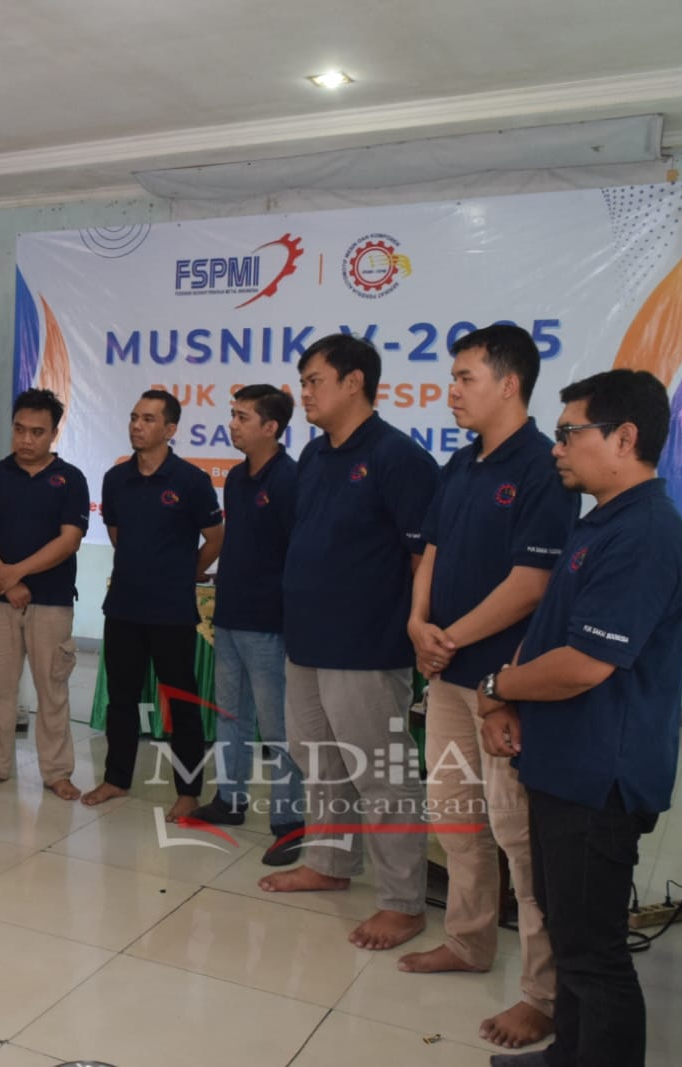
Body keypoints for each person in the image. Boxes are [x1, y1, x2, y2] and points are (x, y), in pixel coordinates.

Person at [479, 370, 682, 1067]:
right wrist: (508, 695)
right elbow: (552, 629)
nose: (557, 447)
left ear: (624, 438)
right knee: (569, 932)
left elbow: (584, 665)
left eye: (570, 432)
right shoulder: (601, 520)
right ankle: (566, 1054)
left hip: (599, 777)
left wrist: (495, 684)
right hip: (563, 763)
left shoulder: (645, 535)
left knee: (593, 951)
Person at [398, 325, 576, 1050]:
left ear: (509, 383)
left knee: (519, 837)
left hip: (508, 687)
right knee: (456, 819)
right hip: (447, 676)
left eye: (465, 377)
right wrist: (418, 622)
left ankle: (543, 991)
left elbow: (532, 584)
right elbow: (431, 550)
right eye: (453, 377)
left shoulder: (544, 466)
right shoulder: (461, 463)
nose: (452, 390)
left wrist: (449, 637)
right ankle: (468, 941)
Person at [258, 333, 440, 951]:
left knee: (382, 774)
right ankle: (330, 863)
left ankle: (403, 902)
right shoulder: (314, 455)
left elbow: (425, 557)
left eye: (314, 381)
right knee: (319, 761)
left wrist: (416, 628)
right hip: (307, 640)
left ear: (354, 382)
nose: (304, 393)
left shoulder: (397, 457)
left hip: (367, 646)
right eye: (303, 382)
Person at [82, 389, 224, 820]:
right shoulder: (115, 478)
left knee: (181, 701)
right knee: (121, 699)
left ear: (170, 428)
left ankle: (188, 791)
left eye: (147, 419)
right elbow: (118, 535)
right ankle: (116, 778)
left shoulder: (191, 480)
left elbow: (215, 537)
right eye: (134, 417)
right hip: (124, 606)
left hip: (171, 610)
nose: (136, 426)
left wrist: (186, 571)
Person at [191, 384, 306, 866]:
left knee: (278, 727)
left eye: (243, 417)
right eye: (233, 415)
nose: (233, 424)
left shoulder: (291, 479)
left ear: (271, 427)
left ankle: (289, 819)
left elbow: (297, 553)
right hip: (230, 614)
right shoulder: (237, 477)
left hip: (269, 623)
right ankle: (230, 799)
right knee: (230, 714)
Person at [0, 388, 89, 800]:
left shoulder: (70, 479)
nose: (26, 439)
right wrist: (5, 580)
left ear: (54, 433)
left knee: (52, 690)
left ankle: (57, 772)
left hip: (51, 601)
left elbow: (69, 540)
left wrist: (16, 573)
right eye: (19, 430)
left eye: (37, 432)